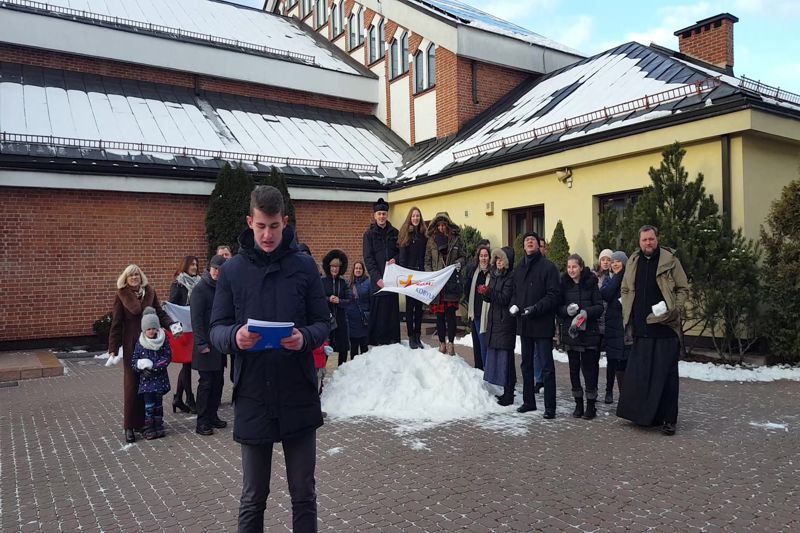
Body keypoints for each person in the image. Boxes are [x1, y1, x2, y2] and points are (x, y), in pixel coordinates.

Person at [210, 185, 330, 532]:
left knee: (303, 493)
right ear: (250, 221)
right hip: (253, 393)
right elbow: (216, 329)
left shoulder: (304, 266)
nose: (267, 235)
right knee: (253, 496)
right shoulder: (232, 271)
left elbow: (323, 323)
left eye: (274, 226)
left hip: (298, 391)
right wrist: (235, 336)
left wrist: (304, 338)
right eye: (261, 226)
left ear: (284, 222)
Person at [617, 225, 689, 436]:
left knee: (667, 378)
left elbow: (683, 288)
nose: (648, 243)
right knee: (642, 375)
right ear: (639, 242)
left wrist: (674, 309)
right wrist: (627, 310)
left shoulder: (670, 260)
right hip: (641, 327)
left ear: (657, 239)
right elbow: (625, 288)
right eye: (644, 240)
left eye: (651, 239)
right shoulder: (633, 260)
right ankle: (645, 417)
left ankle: (668, 420)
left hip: (665, 327)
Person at [108, 264, 175, 443]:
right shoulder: (121, 295)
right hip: (132, 345)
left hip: (151, 345)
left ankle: (145, 422)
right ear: (126, 278)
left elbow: (160, 314)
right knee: (132, 385)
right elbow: (116, 323)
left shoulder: (149, 292)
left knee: (149, 384)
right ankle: (129, 426)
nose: (134, 278)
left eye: (137, 275)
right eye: (131, 275)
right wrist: (113, 347)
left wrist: (172, 325)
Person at [510, 232, 560, 418]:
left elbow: (554, 295)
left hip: (542, 323)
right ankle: (529, 402)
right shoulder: (519, 269)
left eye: (532, 240)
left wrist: (536, 308)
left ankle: (550, 407)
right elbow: (514, 292)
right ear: (523, 246)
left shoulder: (548, 267)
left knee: (546, 367)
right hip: (525, 324)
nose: (529, 242)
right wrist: (514, 305)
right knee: (526, 365)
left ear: (539, 245)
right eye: (526, 240)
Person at [557, 254, 604, 419]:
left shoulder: (591, 283)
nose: (571, 270)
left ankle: (591, 405)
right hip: (572, 333)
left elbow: (599, 307)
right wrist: (566, 310)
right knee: (573, 369)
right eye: (569, 267)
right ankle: (578, 404)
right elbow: (558, 308)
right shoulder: (564, 284)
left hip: (589, 333)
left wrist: (586, 313)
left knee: (589, 370)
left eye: (574, 267)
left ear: (581, 267)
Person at [190, 254, 228, 436]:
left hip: (219, 344)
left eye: (220, 270)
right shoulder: (200, 289)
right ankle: (202, 421)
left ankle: (213, 415)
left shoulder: (222, 288)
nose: (217, 273)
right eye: (215, 269)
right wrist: (201, 343)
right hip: (205, 345)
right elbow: (196, 320)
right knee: (206, 383)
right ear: (209, 268)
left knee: (218, 382)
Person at [424, 212, 466, 355]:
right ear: (436, 226)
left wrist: (459, 263)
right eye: (439, 225)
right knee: (439, 316)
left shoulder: (456, 239)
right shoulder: (431, 241)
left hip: (451, 281)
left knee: (451, 315)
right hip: (438, 284)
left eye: (444, 225)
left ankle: (451, 343)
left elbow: (463, 256)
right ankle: (441, 343)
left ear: (448, 225)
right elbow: (427, 261)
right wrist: (431, 276)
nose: (441, 228)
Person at [480, 248, 517, 406]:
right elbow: (491, 298)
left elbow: (504, 298)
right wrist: (484, 293)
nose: (498, 262)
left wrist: (489, 292)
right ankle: (505, 392)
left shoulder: (510, 277)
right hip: (495, 320)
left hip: (505, 322)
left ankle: (509, 393)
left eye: (501, 259)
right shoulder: (495, 275)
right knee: (500, 358)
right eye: (497, 259)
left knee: (506, 359)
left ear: (507, 262)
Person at [363, 197, 401, 346]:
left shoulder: (395, 233)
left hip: (392, 281)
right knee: (379, 314)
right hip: (377, 281)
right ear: (375, 215)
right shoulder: (369, 235)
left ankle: (393, 342)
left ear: (387, 215)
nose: (381, 216)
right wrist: (377, 278)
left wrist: (396, 259)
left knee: (392, 312)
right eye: (379, 214)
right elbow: (368, 258)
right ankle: (379, 344)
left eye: (384, 214)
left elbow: (400, 253)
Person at [131, 307, 172, 440]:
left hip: (159, 379)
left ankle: (158, 426)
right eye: (148, 329)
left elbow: (167, 356)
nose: (151, 331)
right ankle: (149, 427)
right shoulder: (140, 343)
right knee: (149, 406)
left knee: (158, 405)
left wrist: (155, 366)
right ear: (144, 330)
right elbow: (134, 361)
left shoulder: (163, 340)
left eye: (154, 328)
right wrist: (142, 368)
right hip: (147, 382)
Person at [169, 255, 200, 415]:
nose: (195, 267)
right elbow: (172, 307)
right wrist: (176, 330)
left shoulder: (199, 282)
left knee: (187, 364)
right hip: (183, 329)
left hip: (195, 328)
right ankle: (190, 398)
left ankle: (178, 398)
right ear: (185, 266)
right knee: (187, 363)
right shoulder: (178, 284)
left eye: (196, 264)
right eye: (192, 264)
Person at [397, 206, 428, 349]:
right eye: (413, 216)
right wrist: (404, 273)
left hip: (421, 275)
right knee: (410, 307)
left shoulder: (424, 234)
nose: (416, 218)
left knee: (419, 308)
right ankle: (410, 336)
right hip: (409, 276)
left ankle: (417, 335)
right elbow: (402, 256)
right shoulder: (405, 234)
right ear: (410, 217)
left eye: (418, 216)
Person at [601, 251, 630, 398]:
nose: (614, 264)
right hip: (612, 324)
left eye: (618, 261)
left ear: (624, 263)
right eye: (613, 262)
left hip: (625, 325)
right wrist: (618, 277)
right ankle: (609, 391)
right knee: (612, 359)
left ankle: (625, 395)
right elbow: (606, 294)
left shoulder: (629, 279)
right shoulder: (609, 279)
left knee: (624, 360)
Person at [322, 250, 351, 366]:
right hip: (327, 319)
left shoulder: (344, 282)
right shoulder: (322, 281)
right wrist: (328, 299)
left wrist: (339, 301)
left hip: (341, 319)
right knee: (324, 347)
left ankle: (341, 371)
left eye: (337, 267)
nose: (335, 269)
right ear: (329, 267)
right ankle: (322, 371)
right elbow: (318, 298)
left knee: (343, 348)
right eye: (333, 266)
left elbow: (349, 300)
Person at [464, 245, 491, 369]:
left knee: (483, 344)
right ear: (478, 257)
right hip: (474, 312)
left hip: (486, 313)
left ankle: (486, 369)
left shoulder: (492, 273)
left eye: (486, 256)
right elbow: (467, 290)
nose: (483, 258)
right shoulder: (474, 272)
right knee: (477, 343)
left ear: (489, 257)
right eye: (481, 256)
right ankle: (478, 368)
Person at [594, 249, 615, 403]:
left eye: (609, 259)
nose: (606, 262)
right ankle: (593, 388)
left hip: (610, 322)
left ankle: (609, 391)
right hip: (596, 322)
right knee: (593, 358)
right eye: (603, 259)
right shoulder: (593, 276)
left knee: (612, 360)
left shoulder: (615, 277)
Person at [345, 260, 371, 359]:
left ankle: (365, 367)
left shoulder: (368, 283)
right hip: (351, 320)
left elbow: (371, 300)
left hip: (363, 320)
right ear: (353, 270)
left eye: (360, 268)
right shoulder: (348, 283)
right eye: (356, 268)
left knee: (364, 347)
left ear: (363, 270)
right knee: (354, 348)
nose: (358, 270)